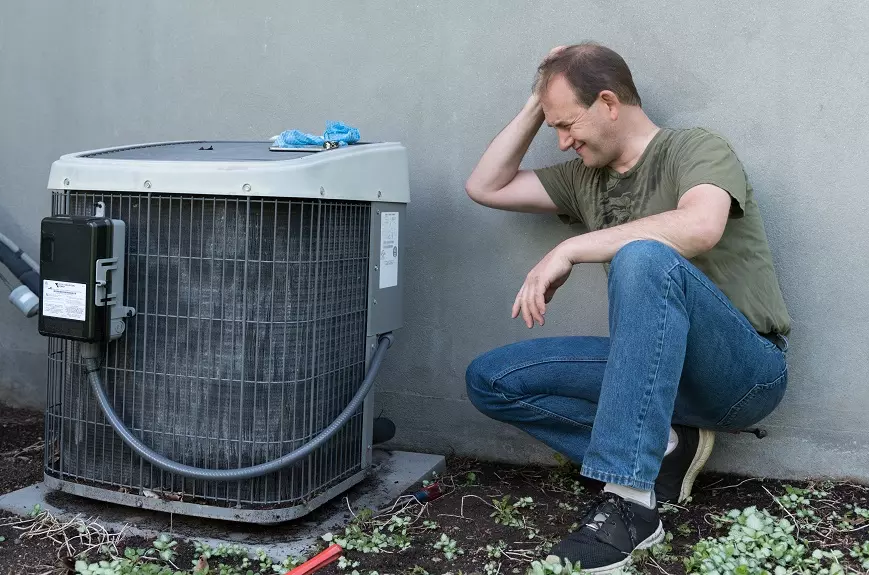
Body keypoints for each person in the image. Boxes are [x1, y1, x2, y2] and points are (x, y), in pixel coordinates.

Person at [464, 42, 790, 573]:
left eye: (567, 125)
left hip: (742, 374)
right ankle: (664, 445)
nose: (563, 141)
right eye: (554, 129)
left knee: (644, 256)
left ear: (609, 104)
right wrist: (538, 97)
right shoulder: (584, 178)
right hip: (650, 374)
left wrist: (570, 247)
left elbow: (700, 226)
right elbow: (485, 185)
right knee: (491, 379)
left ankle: (631, 505)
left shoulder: (695, 148)